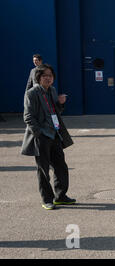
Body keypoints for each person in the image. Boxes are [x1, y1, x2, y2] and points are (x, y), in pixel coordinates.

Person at [21, 64, 76, 210]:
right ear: (38, 77)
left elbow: (56, 111)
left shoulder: (52, 90)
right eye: (44, 75)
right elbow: (28, 117)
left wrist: (60, 103)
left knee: (61, 167)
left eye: (50, 75)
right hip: (42, 136)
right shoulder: (32, 93)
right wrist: (38, 134)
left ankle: (60, 196)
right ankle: (47, 199)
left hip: (55, 134)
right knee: (43, 169)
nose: (48, 78)